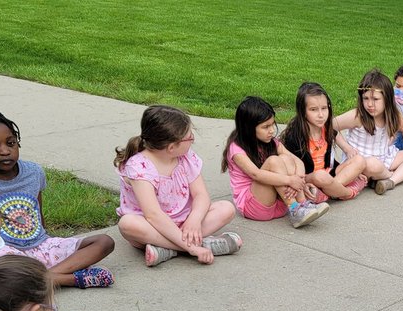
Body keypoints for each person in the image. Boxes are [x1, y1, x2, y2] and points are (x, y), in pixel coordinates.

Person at [0, 110, 115, 288]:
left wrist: (48, 240)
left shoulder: (33, 172)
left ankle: (41, 278)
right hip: (4, 251)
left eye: (11, 143)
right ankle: (71, 278)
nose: (4, 151)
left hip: (42, 245)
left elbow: (37, 209)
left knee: (104, 242)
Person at [114, 105, 240, 267]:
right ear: (171, 147)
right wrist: (192, 248)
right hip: (153, 228)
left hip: (186, 223)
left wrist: (195, 218)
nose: (193, 139)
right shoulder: (139, 168)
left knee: (226, 208)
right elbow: (153, 215)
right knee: (127, 224)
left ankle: (167, 249)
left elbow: (201, 195)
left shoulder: (185, 157)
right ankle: (196, 246)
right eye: (189, 137)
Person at [223, 95, 328, 228]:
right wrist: (290, 181)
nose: (272, 130)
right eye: (266, 127)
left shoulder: (272, 143)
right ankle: (296, 209)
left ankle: (302, 205)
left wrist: (298, 179)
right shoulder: (236, 149)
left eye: (272, 124)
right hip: (254, 206)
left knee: (286, 158)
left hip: (280, 203)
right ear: (248, 128)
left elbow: (297, 161)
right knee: (274, 161)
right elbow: (256, 175)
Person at [334, 69, 403, 195]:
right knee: (373, 164)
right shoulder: (357, 116)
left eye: (375, 99)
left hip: (385, 156)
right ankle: (391, 175)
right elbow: (330, 126)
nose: (370, 104)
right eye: (365, 98)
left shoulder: (392, 115)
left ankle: (389, 182)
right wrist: (347, 148)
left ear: (387, 99)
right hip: (362, 163)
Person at [279, 82, 369, 203]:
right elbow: (291, 167)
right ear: (303, 111)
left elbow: (336, 136)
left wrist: (348, 150)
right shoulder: (294, 136)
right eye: (313, 110)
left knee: (360, 160)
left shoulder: (326, 128)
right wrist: (302, 182)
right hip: (309, 177)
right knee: (320, 176)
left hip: (330, 173)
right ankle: (348, 192)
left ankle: (327, 192)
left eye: (324, 108)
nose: (321, 115)